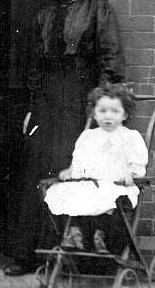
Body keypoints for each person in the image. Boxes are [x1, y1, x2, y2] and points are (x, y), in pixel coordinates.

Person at [4, 0, 125, 276]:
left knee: (75, 169)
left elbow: (110, 63)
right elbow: (35, 65)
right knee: (39, 170)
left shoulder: (98, 10)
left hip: (81, 101)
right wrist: (32, 106)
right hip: (47, 101)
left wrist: (98, 110)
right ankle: (32, 254)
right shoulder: (44, 14)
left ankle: (75, 258)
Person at [43, 84, 147, 257]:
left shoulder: (130, 137)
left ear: (125, 115)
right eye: (103, 111)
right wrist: (71, 171)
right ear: (94, 113)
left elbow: (137, 163)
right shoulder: (88, 136)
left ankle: (100, 236)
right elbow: (80, 161)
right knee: (70, 192)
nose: (108, 116)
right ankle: (75, 235)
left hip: (118, 184)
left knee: (107, 196)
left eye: (115, 112)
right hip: (90, 183)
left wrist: (131, 174)